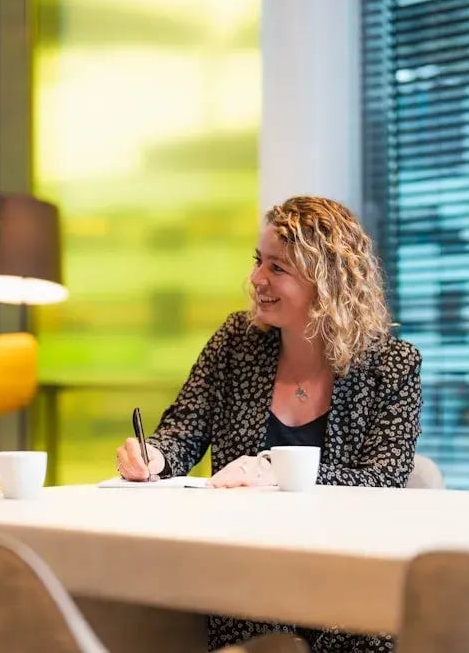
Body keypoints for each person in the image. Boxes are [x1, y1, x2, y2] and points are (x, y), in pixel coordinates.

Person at [115, 196, 421, 653]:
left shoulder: (393, 365)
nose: (257, 279)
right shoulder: (236, 342)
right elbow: (184, 430)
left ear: (326, 281)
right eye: (259, 262)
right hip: (248, 581)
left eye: (277, 268)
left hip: (349, 582)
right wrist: (153, 455)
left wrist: (273, 473)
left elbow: (382, 480)